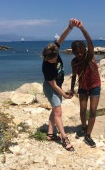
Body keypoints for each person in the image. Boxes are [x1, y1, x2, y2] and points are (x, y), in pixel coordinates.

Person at [42, 20, 75, 151]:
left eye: (55, 59)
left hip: (58, 86)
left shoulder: (54, 49)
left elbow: (62, 37)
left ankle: (50, 134)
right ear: (46, 58)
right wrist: (65, 95)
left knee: (55, 110)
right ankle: (64, 138)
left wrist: (70, 27)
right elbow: (54, 86)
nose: (54, 61)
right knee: (58, 111)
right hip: (51, 88)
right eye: (51, 60)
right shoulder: (46, 67)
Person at [70, 19, 101, 148]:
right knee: (83, 110)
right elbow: (73, 76)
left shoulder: (90, 57)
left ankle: (88, 136)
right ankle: (84, 127)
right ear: (73, 52)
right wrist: (72, 89)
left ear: (85, 50)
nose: (79, 54)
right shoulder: (74, 62)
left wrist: (82, 28)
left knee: (92, 110)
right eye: (76, 52)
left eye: (81, 51)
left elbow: (89, 42)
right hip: (82, 87)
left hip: (94, 86)